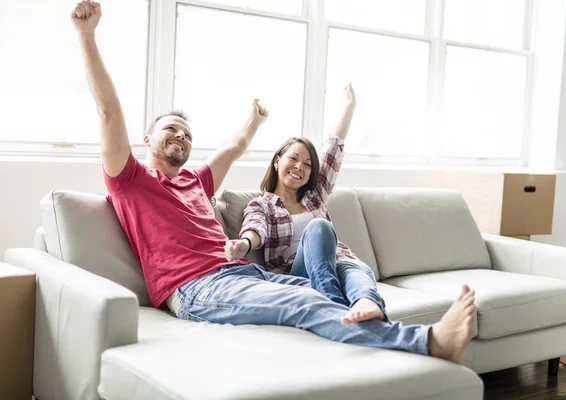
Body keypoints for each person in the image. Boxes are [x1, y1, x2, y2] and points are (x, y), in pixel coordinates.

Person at [72, 0, 476, 364]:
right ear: (147, 139)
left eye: (188, 134)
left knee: (322, 291)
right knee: (303, 299)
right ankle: (428, 342)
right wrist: (87, 37)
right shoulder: (130, 180)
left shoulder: (197, 181)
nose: (181, 136)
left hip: (242, 274)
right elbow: (108, 112)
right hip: (194, 287)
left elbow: (234, 146)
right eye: (171, 129)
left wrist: (254, 121)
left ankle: (362, 343)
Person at [232, 85, 389, 325]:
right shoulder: (262, 204)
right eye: (293, 159)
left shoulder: (315, 196)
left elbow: (334, 149)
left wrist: (349, 106)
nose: (299, 167)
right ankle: (333, 303)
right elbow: (256, 228)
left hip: (341, 264)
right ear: (277, 162)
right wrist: (244, 244)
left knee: (353, 268)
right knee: (319, 227)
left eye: (307, 164)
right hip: (300, 274)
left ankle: (366, 302)